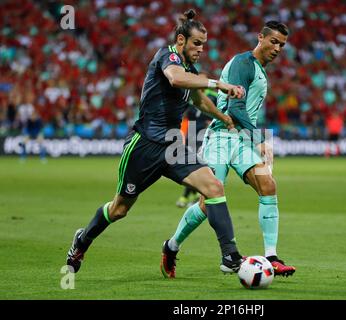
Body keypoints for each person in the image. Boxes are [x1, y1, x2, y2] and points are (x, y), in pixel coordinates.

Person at [66, 9, 246, 275]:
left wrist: (224, 117)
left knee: (214, 188)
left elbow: (198, 100)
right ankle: (82, 240)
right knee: (119, 210)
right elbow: (175, 78)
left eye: (203, 45)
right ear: (182, 40)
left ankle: (231, 257)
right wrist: (217, 83)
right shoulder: (168, 55)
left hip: (174, 145)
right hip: (145, 144)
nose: (200, 49)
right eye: (196, 43)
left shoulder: (191, 70)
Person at [161, 21, 296, 278]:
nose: (277, 48)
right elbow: (235, 109)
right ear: (260, 38)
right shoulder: (242, 64)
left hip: (241, 139)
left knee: (268, 184)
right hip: (221, 137)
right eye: (274, 41)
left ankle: (272, 257)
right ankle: (171, 246)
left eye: (282, 44)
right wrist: (259, 139)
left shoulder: (257, 69)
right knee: (206, 204)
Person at [175, 89, 214, 208]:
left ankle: (189, 196)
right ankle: (193, 195)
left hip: (203, 135)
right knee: (191, 165)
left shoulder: (212, 98)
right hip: (191, 134)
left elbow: (217, 113)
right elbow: (186, 115)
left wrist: (211, 122)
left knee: (197, 165)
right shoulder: (191, 97)